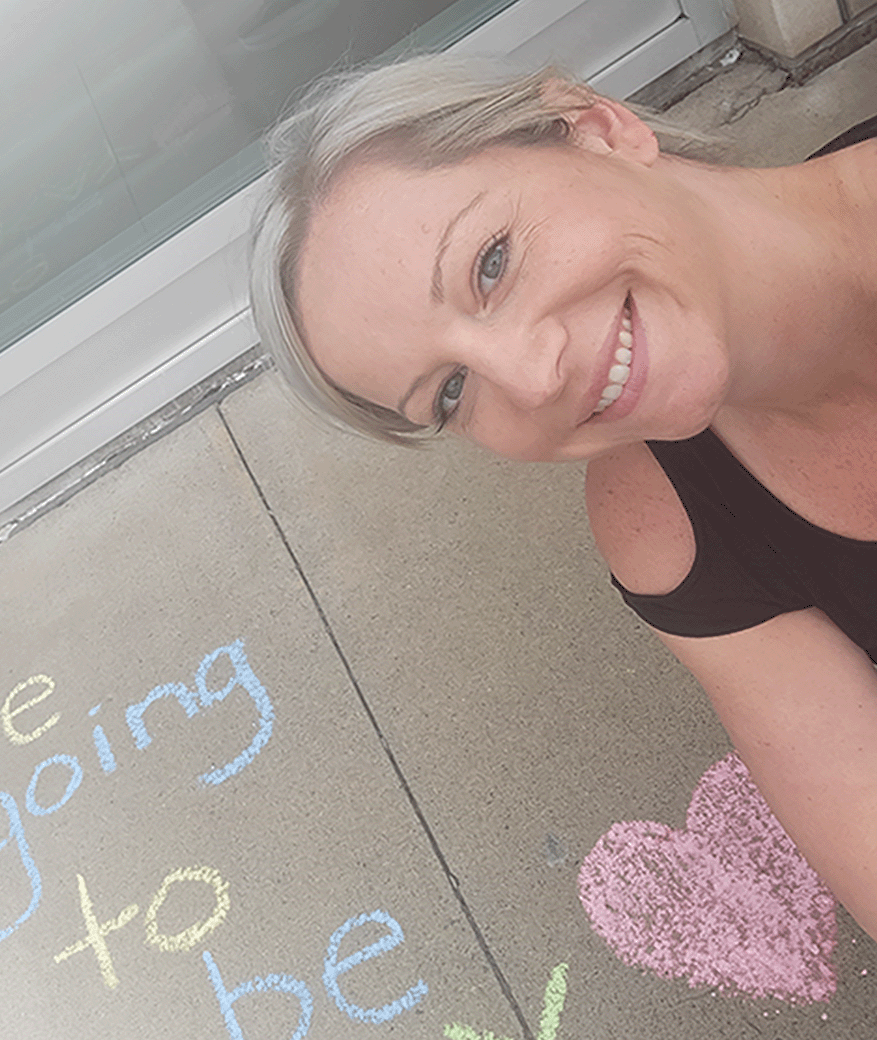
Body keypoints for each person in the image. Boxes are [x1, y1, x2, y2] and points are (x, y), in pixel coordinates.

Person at [248, 53, 877, 938]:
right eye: (451, 392)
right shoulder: (662, 524)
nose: (531, 378)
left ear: (598, 128)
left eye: (491, 263)